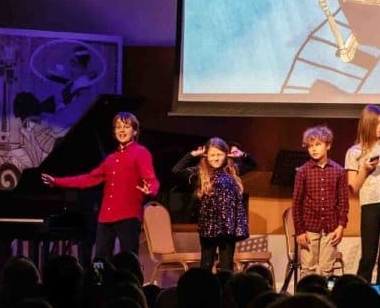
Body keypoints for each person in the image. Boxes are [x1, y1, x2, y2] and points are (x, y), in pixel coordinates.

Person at [42, 111, 158, 262]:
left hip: (128, 216)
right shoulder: (111, 159)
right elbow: (88, 179)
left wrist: (150, 190)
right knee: (99, 260)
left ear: (135, 131)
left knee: (128, 259)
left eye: (126, 127)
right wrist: (57, 181)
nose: (122, 130)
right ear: (114, 132)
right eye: (118, 127)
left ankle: (129, 277)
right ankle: (98, 277)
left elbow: (152, 180)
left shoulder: (141, 153)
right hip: (106, 217)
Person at [172, 137, 249, 272]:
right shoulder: (200, 173)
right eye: (212, 155)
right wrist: (192, 154)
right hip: (208, 225)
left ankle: (225, 284)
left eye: (219, 154)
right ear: (206, 156)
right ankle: (206, 285)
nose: (216, 158)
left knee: (226, 265)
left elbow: (252, 165)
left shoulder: (232, 170)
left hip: (227, 226)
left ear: (226, 155)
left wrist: (242, 155)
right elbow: (176, 170)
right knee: (206, 263)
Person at [345, 105, 380, 283]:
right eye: (377, 123)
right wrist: (364, 170)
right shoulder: (354, 152)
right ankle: (361, 290)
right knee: (368, 255)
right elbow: (353, 188)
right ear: (368, 123)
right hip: (370, 206)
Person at [292, 125, 349, 278]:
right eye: (310, 146)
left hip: (331, 229)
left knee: (327, 270)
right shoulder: (303, 171)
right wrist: (299, 231)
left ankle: (326, 294)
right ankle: (306, 293)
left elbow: (343, 202)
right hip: (309, 229)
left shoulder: (338, 171)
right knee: (307, 270)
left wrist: (341, 226)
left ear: (328, 145)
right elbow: (296, 204)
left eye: (318, 144)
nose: (314, 149)